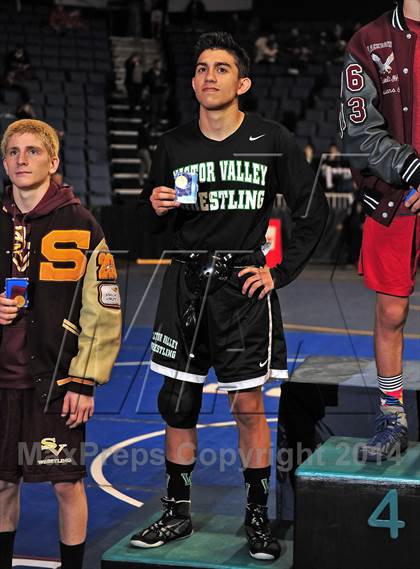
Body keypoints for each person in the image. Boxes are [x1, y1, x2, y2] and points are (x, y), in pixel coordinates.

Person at [130, 32, 328, 560]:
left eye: (220, 68)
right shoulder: (172, 144)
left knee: (247, 407)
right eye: (200, 68)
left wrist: (278, 273)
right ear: (192, 80)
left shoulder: (272, 139)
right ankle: (176, 513)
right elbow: (148, 228)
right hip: (185, 283)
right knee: (177, 406)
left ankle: (257, 520)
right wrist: (154, 205)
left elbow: (314, 210)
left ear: (242, 82)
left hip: (241, 285)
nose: (208, 76)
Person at [0, 119, 122, 569]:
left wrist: (85, 381)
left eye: (32, 151)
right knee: (1, 483)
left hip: (56, 381)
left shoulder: (82, 224)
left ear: (52, 162)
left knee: (66, 484)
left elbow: (104, 310)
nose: (21, 160)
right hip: (2, 381)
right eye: (13, 152)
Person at [340, 0, 420, 461]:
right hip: (396, 199)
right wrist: (413, 169)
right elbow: (358, 132)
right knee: (391, 314)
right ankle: (392, 417)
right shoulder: (368, 41)